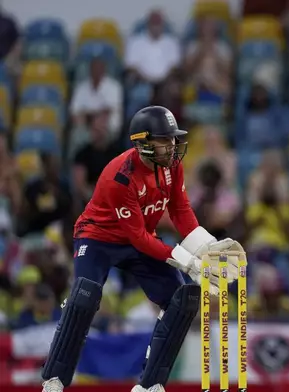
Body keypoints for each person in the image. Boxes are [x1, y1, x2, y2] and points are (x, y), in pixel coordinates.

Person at [41, 106, 245, 392]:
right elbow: (138, 238)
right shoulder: (120, 176)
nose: (172, 145)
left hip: (138, 238)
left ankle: (150, 385)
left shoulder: (173, 165)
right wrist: (188, 263)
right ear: (142, 143)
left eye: (173, 139)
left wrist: (206, 247)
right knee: (85, 295)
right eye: (164, 139)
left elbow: (181, 210)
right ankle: (55, 379)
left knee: (182, 299)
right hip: (98, 238)